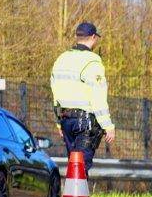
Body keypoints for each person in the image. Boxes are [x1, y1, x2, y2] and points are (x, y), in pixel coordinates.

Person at [50, 22, 116, 172]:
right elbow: (98, 97)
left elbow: (55, 93)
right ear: (93, 37)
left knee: (73, 165)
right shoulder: (92, 61)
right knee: (80, 168)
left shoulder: (61, 59)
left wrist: (59, 122)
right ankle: (78, 188)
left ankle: (72, 188)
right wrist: (108, 126)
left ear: (77, 37)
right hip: (85, 123)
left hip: (66, 120)